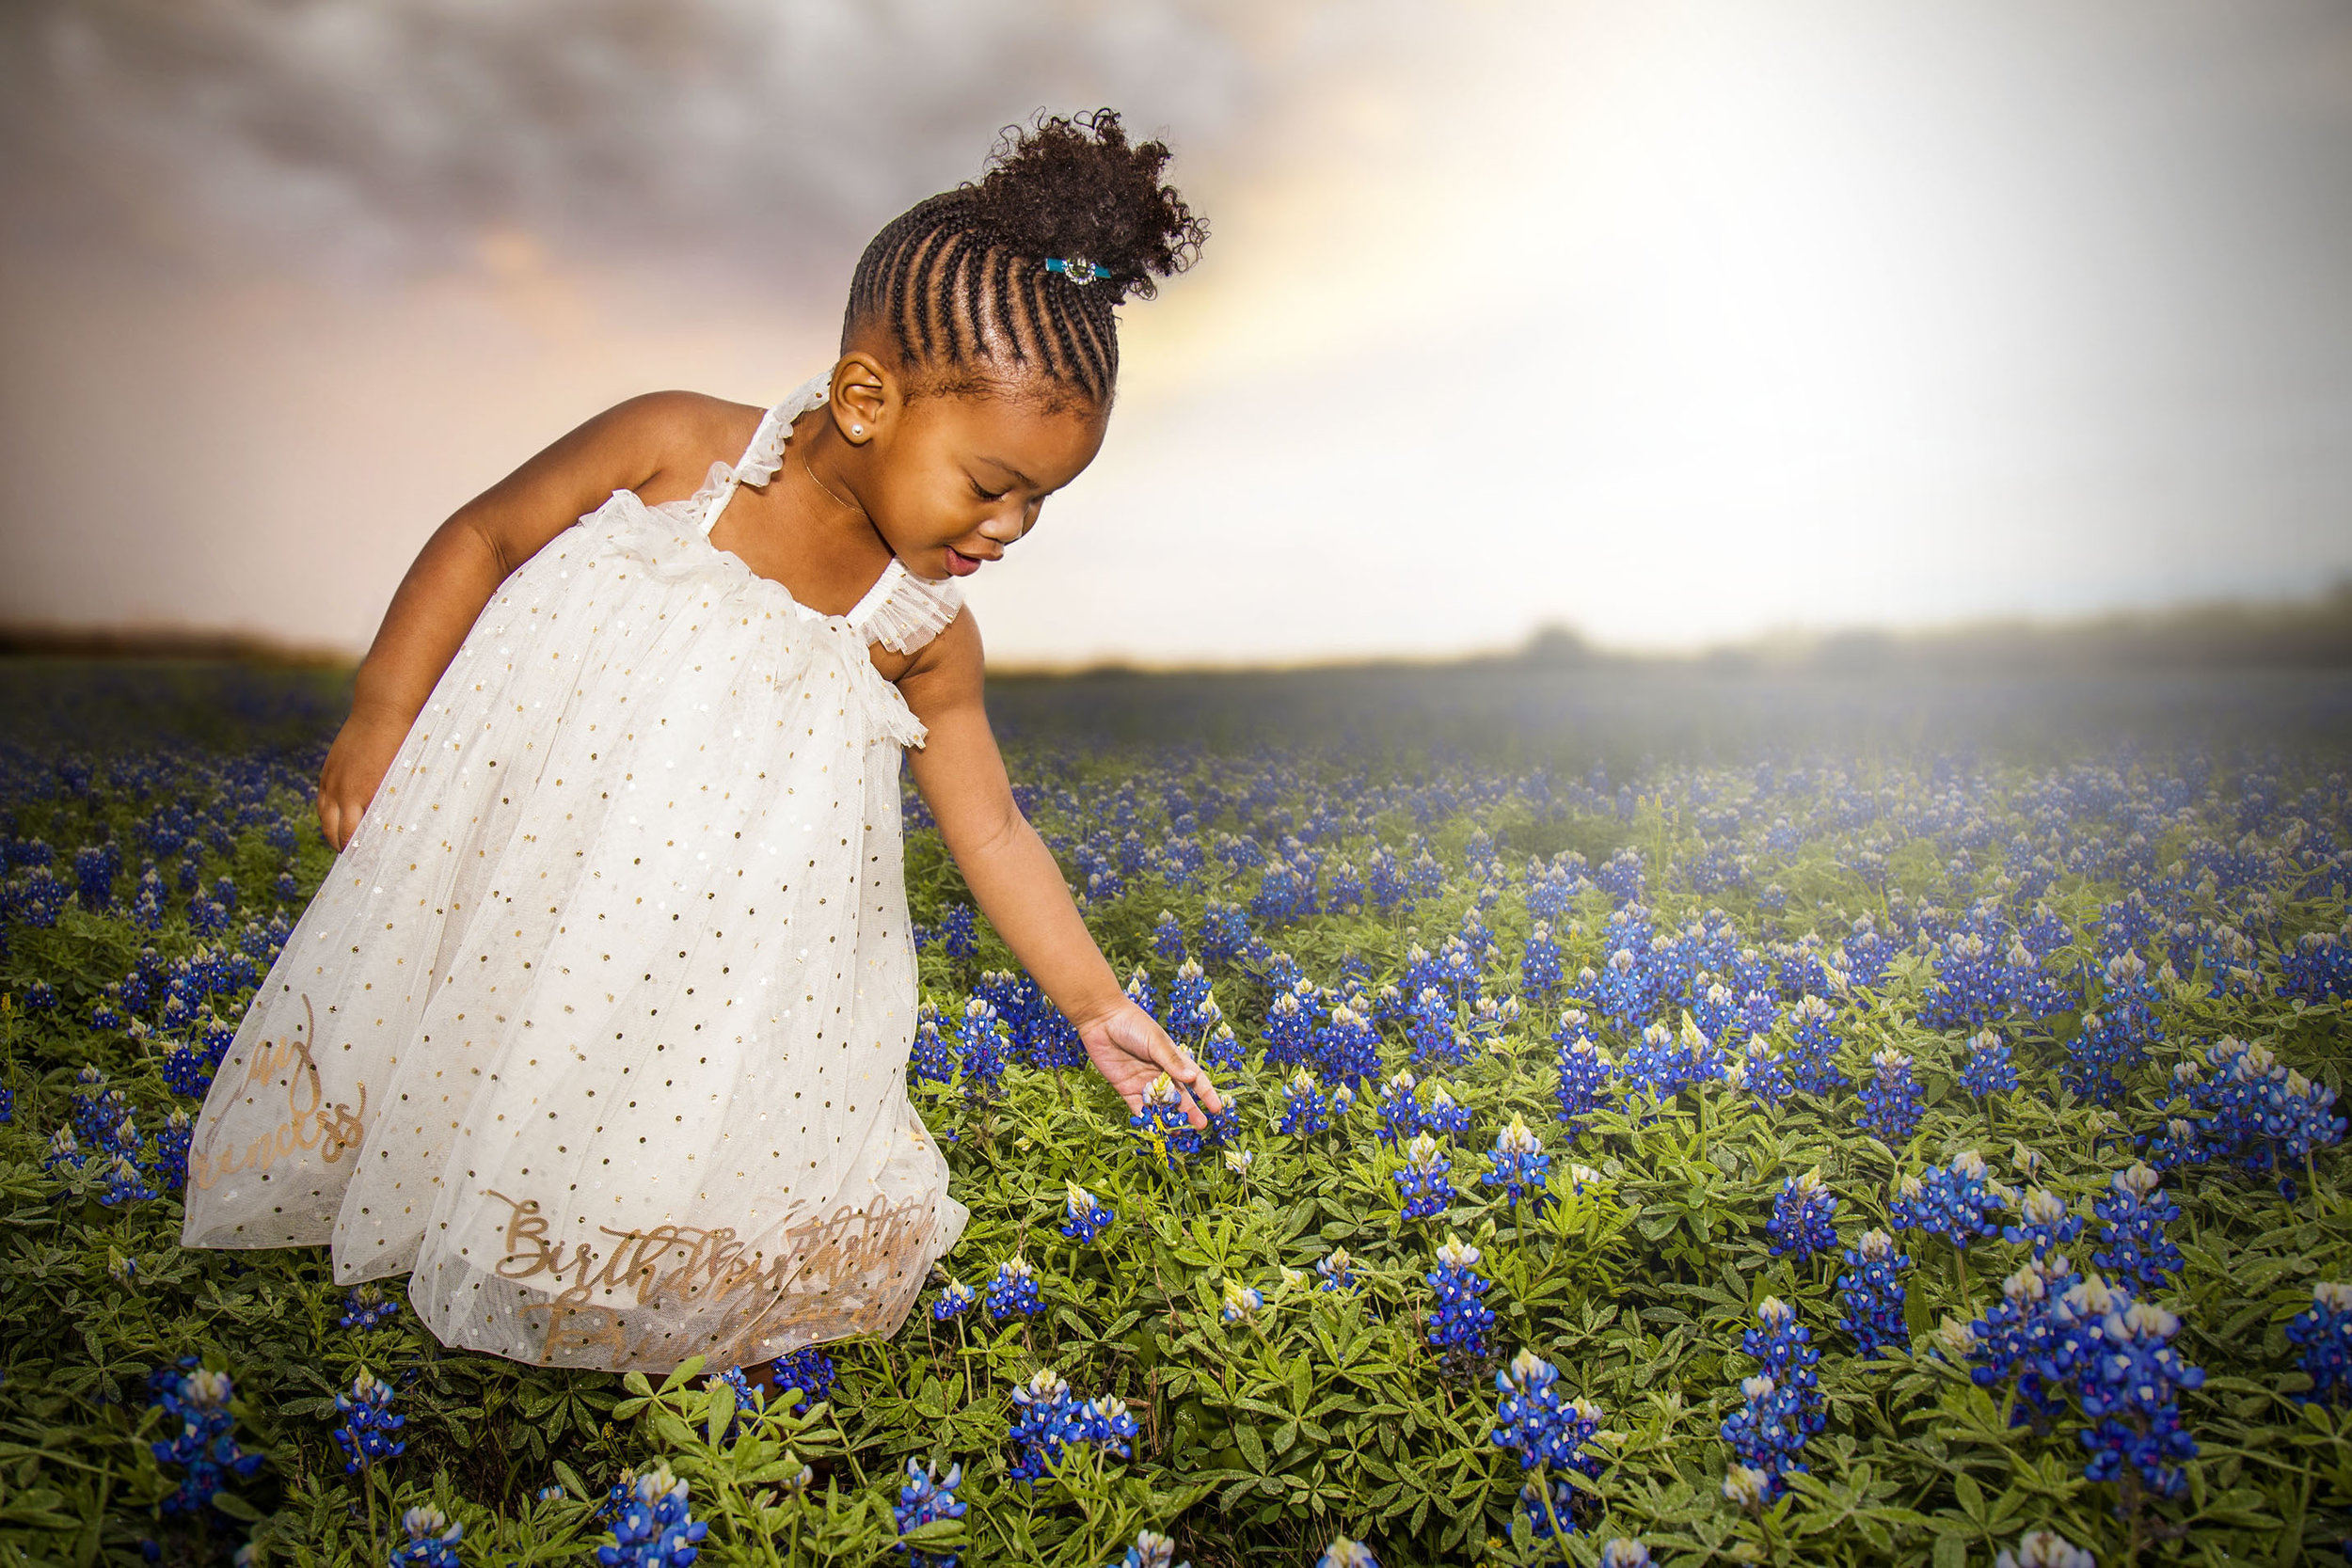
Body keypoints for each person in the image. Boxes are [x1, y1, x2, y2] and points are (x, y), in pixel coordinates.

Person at [179, 108, 1223, 1383]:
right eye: (989, 482)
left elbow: (992, 825)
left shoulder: (924, 632)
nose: (1008, 527)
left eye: (1040, 503)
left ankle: (572, 1253)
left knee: (643, 1096)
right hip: (540, 841)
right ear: (863, 397)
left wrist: (1095, 1002)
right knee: (485, 1018)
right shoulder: (680, 449)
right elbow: (484, 536)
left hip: (709, 939)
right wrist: (384, 709)